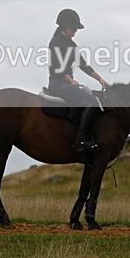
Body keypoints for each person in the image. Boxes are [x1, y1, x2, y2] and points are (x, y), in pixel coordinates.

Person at [48, 8, 109, 154]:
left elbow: (83, 65)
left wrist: (100, 79)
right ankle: (81, 140)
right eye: (73, 28)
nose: (75, 31)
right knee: (93, 102)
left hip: (66, 83)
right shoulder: (55, 42)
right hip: (58, 83)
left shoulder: (71, 44)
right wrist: (69, 79)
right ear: (64, 27)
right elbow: (55, 67)